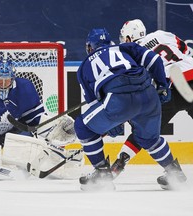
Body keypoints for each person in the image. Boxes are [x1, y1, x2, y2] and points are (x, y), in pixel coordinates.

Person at [74, 27, 186, 191]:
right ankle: (174, 173)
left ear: (90, 47)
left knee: (83, 127)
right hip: (148, 95)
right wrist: (162, 85)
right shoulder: (124, 47)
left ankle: (102, 173)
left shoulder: (84, 66)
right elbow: (154, 60)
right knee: (148, 139)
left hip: (119, 98)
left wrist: (111, 123)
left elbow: (94, 105)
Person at [111, 19, 193, 183]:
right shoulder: (162, 34)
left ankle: (117, 166)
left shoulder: (131, 53)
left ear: (128, 38)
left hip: (171, 86)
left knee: (144, 133)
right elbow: (184, 49)